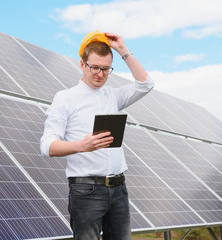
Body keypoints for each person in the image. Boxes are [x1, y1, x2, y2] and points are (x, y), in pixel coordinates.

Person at [40, 30, 154, 240]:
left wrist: (122, 50)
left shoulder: (113, 95)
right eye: (94, 67)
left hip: (119, 189)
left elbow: (146, 84)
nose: (100, 74)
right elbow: (47, 146)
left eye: (105, 69)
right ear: (82, 65)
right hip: (86, 191)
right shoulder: (65, 98)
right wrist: (81, 145)